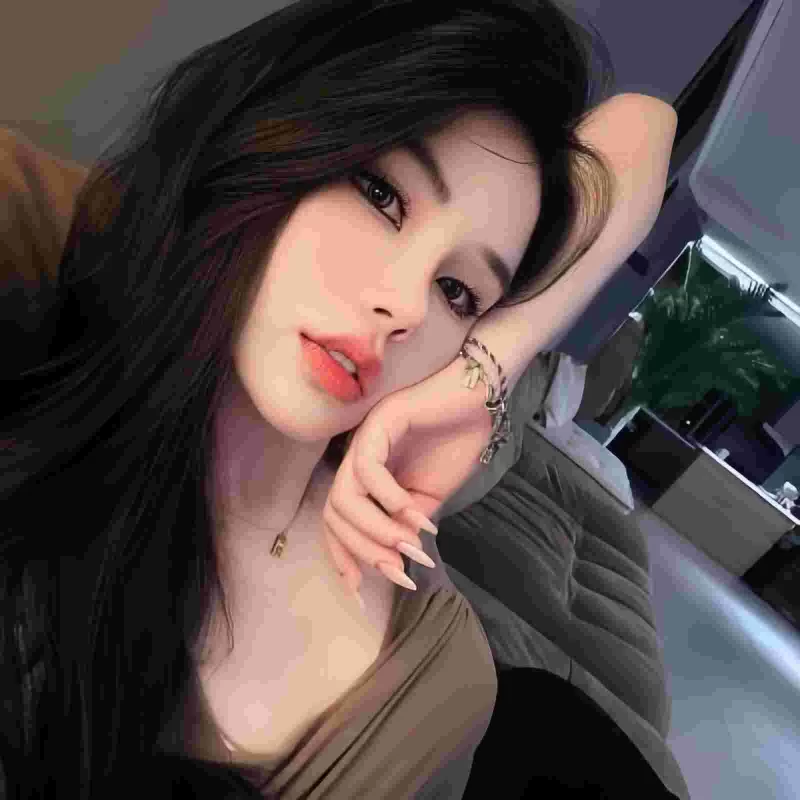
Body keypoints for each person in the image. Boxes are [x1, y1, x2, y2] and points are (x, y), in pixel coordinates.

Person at [0, 1, 676, 797]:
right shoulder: (60, 268)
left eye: (458, 291)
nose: (405, 305)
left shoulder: (431, 675)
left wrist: (483, 374)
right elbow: (644, 123)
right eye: (379, 194)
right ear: (278, 131)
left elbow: (648, 132)